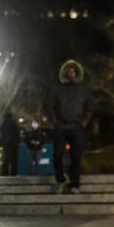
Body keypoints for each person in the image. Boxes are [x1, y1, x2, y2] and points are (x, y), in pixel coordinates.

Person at [44, 59, 92, 193]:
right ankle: (60, 180)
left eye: (74, 71)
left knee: (76, 156)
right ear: (65, 73)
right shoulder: (56, 89)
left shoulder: (83, 90)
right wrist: (55, 121)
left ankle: (75, 184)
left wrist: (84, 122)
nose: (72, 73)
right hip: (61, 127)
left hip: (77, 127)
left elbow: (89, 108)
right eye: (69, 71)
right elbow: (49, 106)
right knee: (58, 154)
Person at [0, 110, 21, 176]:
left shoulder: (3, 123)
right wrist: (18, 141)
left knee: (6, 158)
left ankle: (5, 172)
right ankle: (13, 172)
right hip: (13, 143)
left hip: (6, 143)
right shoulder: (14, 123)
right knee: (14, 159)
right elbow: (17, 133)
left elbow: (1, 133)